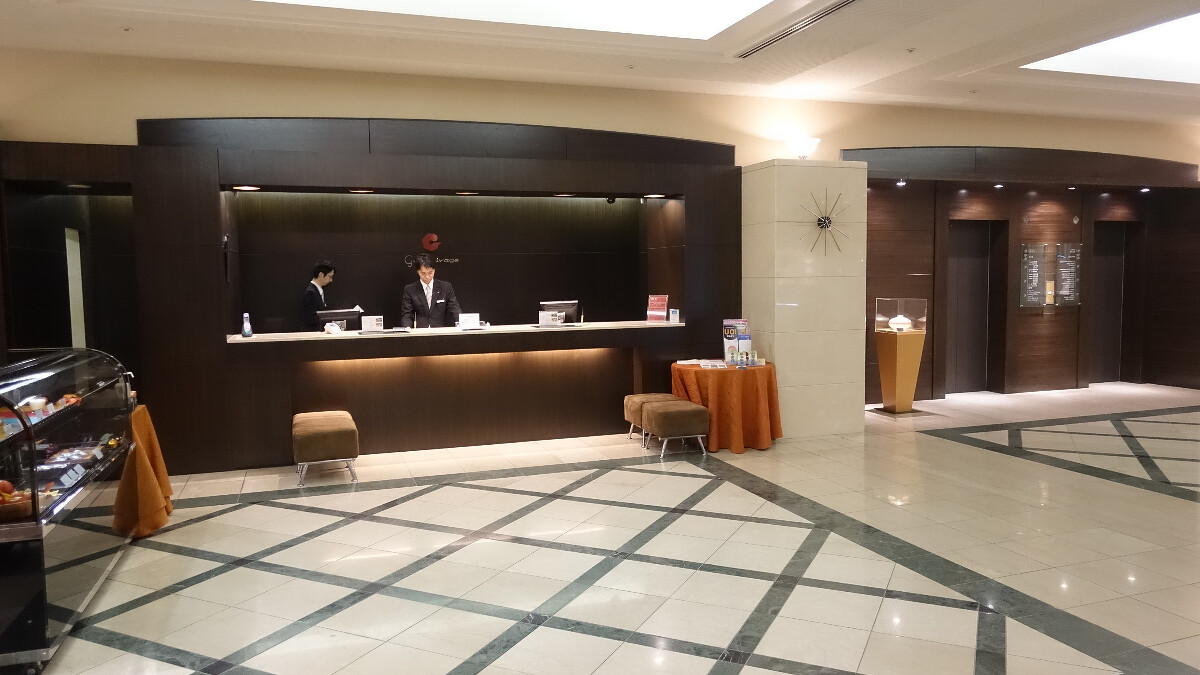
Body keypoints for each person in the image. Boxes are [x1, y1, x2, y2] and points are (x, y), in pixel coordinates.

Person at [401, 254, 461, 328]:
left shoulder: (445, 287)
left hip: (440, 330)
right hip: (420, 331)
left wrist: (461, 323)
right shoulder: (410, 290)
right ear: (418, 271)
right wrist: (407, 328)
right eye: (423, 273)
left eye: (430, 273)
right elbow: (407, 314)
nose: (427, 277)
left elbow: (454, 309)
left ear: (434, 270)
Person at [301, 260, 336, 330]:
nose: (331, 280)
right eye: (330, 276)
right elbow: (311, 318)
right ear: (321, 274)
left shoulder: (317, 290)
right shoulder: (311, 293)